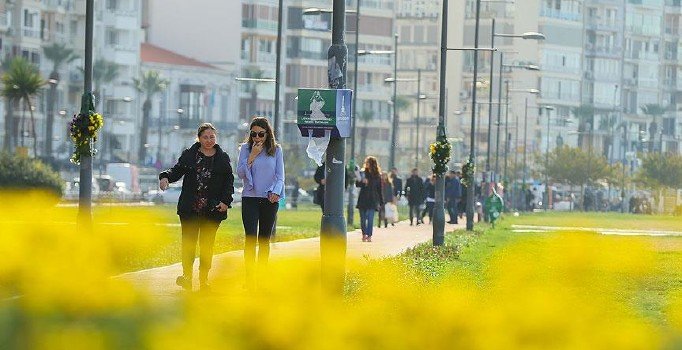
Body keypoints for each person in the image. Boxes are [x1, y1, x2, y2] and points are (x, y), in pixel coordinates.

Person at [159, 123, 234, 292]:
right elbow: (176, 171)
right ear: (199, 138)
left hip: (212, 210)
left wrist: (225, 201)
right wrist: (165, 177)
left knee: (207, 245)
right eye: (205, 137)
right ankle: (187, 277)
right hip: (190, 208)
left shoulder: (222, 158)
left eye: (212, 137)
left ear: (216, 138)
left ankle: (204, 280)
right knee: (189, 243)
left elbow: (229, 182)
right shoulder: (190, 155)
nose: (209, 140)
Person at [236, 117, 285, 288]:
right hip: (249, 198)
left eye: (261, 134)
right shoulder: (245, 149)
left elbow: (280, 176)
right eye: (254, 134)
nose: (257, 138)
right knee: (250, 238)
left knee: (264, 240)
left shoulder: (276, 150)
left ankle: (262, 279)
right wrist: (252, 156)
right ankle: (249, 280)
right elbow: (241, 173)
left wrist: (275, 192)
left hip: (269, 199)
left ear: (267, 133)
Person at [356, 156, 383, 242]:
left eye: (368, 162)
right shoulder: (362, 173)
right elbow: (357, 184)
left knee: (370, 219)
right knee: (363, 219)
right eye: (366, 162)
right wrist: (361, 181)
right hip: (363, 199)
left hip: (372, 200)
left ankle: (369, 235)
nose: (366, 164)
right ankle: (364, 234)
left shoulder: (377, 175)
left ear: (372, 164)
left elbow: (379, 189)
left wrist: (381, 202)